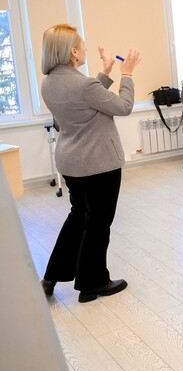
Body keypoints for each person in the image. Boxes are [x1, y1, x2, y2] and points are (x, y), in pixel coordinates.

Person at [39, 24, 141, 302]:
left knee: (78, 217)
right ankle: (92, 283)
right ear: (73, 51)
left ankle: (51, 277)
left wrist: (104, 74)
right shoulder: (84, 85)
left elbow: (81, 105)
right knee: (98, 223)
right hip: (98, 164)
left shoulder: (48, 83)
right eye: (82, 45)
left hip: (71, 163)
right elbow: (123, 107)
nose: (85, 48)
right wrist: (127, 74)